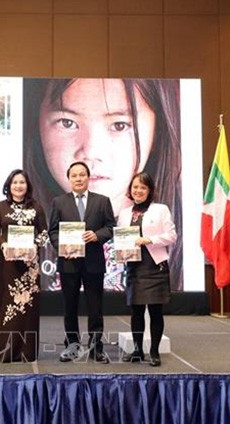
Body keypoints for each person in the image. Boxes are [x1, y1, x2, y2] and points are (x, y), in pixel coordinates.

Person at [23, 78, 184, 291]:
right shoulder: (27, 218)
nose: (91, 152)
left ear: (158, 131)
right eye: (67, 122)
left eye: (120, 125)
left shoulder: (176, 222)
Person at [48, 161, 115, 364]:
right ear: (69, 179)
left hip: (93, 262)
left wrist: (96, 235)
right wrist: (63, 247)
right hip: (68, 263)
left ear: (88, 177)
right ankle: (72, 345)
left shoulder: (102, 201)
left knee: (95, 307)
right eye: (74, 175)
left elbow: (111, 227)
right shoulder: (59, 202)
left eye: (82, 175)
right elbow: (53, 231)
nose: (78, 178)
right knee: (70, 306)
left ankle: (96, 348)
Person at [117, 172, 177, 367]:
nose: (138, 191)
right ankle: (137, 350)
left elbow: (171, 236)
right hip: (134, 266)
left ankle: (154, 352)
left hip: (154, 266)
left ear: (149, 190)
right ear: (130, 190)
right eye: (135, 187)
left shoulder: (160, 209)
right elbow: (121, 239)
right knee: (136, 312)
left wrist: (150, 239)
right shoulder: (125, 213)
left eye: (143, 188)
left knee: (155, 311)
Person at [0, 169, 49, 363]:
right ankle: (7, 351)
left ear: (27, 186)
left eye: (22, 182)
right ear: (9, 185)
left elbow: (44, 233)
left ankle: (27, 352)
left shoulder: (37, 207)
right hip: (9, 265)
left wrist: (34, 245)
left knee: (29, 308)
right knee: (8, 304)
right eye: (15, 182)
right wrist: (4, 244)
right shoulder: (0, 207)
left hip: (30, 267)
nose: (18, 185)